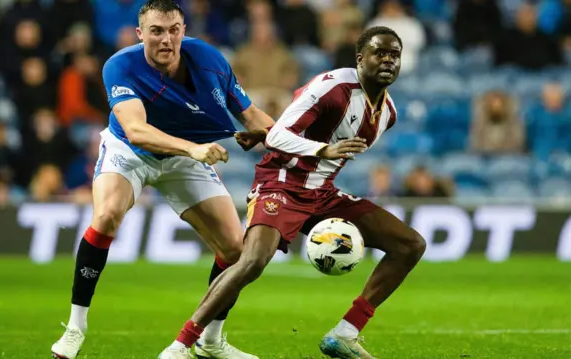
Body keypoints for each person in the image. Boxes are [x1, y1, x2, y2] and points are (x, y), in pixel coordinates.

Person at [161, 26, 427, 359]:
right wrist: (322, 150)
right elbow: (278, 138)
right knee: (253, 260)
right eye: (380, 53)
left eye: (394, 54)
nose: (388, 60)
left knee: (410, 244)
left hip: (322, 194)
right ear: (361, 59)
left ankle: (345, 334)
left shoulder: (387, 113)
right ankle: (180, 346)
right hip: (281, 183)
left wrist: (292, 144)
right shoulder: (332, 87)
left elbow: (277, 133)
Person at [50, 1, 274, 359]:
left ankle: (211, 340)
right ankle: (75, 328)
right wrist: (194, 149)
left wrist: (295, 145)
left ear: (184, 31)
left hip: (185, 158)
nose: (166, 39)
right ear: (141, 34)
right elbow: (136, 131)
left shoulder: (209, 60)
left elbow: (250, 115)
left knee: (235, 250)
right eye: (156, 31)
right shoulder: (120, 65)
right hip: (130, 153)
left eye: (173, 30)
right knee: (107, 215)